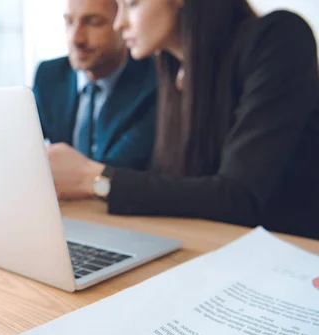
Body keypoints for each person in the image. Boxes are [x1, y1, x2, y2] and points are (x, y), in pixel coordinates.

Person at [46, 0, 319, 240]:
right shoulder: (172, 68)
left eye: (132, 4)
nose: (119, 24)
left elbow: (239, 197)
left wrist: (93, 177)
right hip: (219, 248)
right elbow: (175, 184)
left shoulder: (279, 38)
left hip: (292, 257)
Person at [33, 0, 157, 169]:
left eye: (94, 22)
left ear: (123, 23)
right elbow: (20, 145)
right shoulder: (49, 75)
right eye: (69, 21)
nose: (76, 38)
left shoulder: (153, 82)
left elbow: (121, 168)